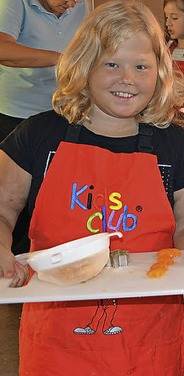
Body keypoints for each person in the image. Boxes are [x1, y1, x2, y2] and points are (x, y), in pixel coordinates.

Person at [0, 2, 184, 374]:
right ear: (84, 65)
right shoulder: (38, 136)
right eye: (111, 63)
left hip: (146, 341)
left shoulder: (175, 147)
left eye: (141, 66)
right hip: (56, 340)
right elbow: (2, 211)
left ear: (160, 72)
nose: (127, 78)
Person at [0, 0, 89, 254]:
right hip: (16, 117)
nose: (71, 4)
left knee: (53, 200)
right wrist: (62, 60)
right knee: (13, 205)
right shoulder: (15, 4)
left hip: (63, 116)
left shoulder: (80, 5)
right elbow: (3, 49)